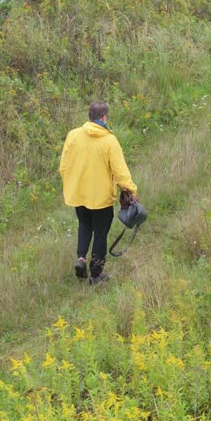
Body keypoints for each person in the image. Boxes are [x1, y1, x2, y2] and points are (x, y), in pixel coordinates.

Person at [59, 101, 138, 284]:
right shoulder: (109, 141)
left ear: (89, 116)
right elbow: (120, 172)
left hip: (79, 194)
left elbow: (63, 166)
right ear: (104, 117)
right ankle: (96, 275)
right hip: (101, 198)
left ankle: (81, 259)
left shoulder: (73, 135)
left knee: (84, 225)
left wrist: (71, 184)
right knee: (100, 233)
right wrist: (131, 190)